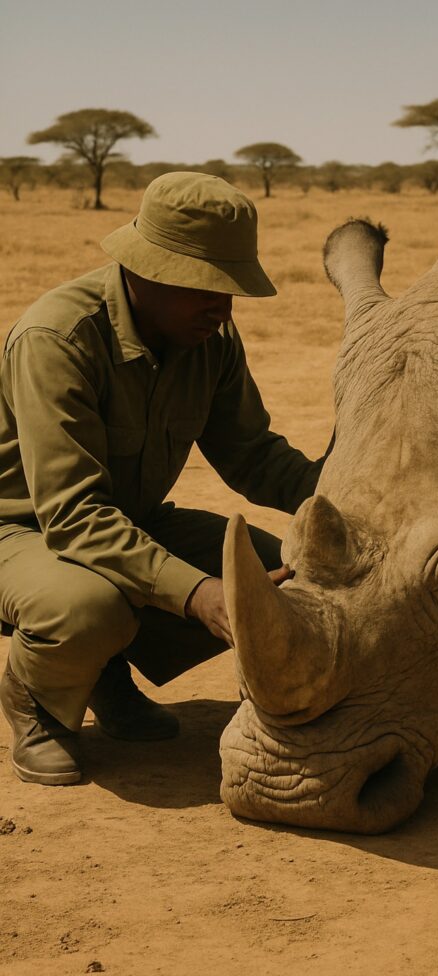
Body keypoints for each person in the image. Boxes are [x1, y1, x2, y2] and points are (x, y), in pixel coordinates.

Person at [0, 171, 326, 786]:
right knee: (89, 607)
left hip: (123, 523)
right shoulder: (58, 340)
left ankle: (103, 670)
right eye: (209, 288)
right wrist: (201, 595)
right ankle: (37, 701)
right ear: (146, 271)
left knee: (287, 573)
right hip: (23, 534)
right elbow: (74, 518)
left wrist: (348, 494)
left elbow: (253, 456)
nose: (224, 308)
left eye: (231, 290)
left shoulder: (209, 338)